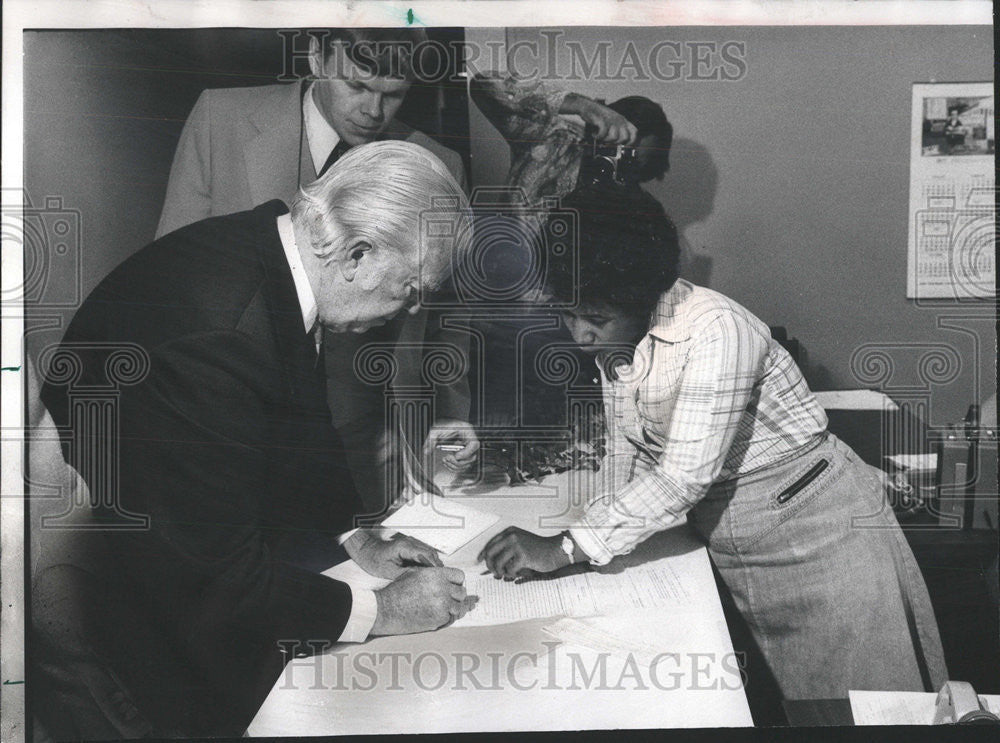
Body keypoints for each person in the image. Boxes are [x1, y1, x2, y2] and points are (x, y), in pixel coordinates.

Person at [38, 142, 476, 737]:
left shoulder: (269, 249)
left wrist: (354, 537)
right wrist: (383, 610)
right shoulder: (219, 339)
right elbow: (214, 584)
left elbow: (299, 418)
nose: (411, 309)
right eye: (412, 288)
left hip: (161, 550)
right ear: (357, 253)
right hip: (113, 615)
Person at [479, 186, 948, 700]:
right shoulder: (624, 336)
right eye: (569, 315)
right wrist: (598, 531)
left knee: (866, 705)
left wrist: (568, 547)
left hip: (819, 532)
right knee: (800, 702)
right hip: (735, 531)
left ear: (642, 299)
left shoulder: (718, 332)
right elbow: (627, 447)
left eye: (595, 320)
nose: (579, 337)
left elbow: (683, 475)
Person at [158, 27, 478, 511]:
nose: (374, 112)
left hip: (369, 443)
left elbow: (447, 312)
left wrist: (452, 413)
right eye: (357, 86)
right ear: (316, 55)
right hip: (235, 429)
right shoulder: (218, 119)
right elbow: (173, 278)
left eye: (394, 96)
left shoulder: (437, 164)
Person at [469, 72, 672, 217]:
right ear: (597, 132)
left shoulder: (637, 211)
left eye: (633, 163)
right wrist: (580, 104)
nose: (617, 164)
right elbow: (484, 84)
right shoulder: (553, 138)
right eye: (616, 148)